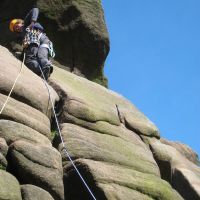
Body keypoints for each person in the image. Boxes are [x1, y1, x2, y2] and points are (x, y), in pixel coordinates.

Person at [9, 7, 54, 80]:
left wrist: (32, 22)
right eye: (15, 29)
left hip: (34, 38)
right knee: (41, 57)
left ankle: (40, 70)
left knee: (29, 60)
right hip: (44, 40)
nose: (17, 28)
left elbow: (35, 9)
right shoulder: (24, 34)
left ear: (20, 22)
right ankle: (46, 68)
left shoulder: (26, 23)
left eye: (17, 26)